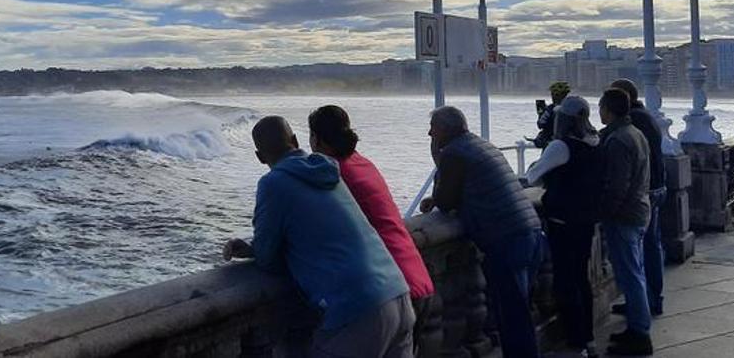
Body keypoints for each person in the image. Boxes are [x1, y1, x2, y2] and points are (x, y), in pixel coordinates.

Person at [224, 116, 414, 356]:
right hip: (397, 294)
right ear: (294, 140)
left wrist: (257, 250)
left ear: (259, 157)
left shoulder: (273, 184)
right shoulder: (328, 170)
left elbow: (268, 259)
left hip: (355, 310)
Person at [306, 105, 437, 347]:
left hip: (393, 287)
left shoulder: (333, 174)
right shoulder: (362, 163)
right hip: (416, 276)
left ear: (317, 139)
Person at [419, 106, 543, 358]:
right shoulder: (480, 145)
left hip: (506, 238)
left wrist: (438, 158)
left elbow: (446, 200)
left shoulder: (454, 153)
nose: (429, 133)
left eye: (433, 128)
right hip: (528, 230)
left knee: (513, 315)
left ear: (443, 129)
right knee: (519, 310)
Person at [526, 95, 603, 358]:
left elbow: (533, 176)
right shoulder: (594, 141)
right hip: (586, 219)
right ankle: (589, 337)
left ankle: (577, 339)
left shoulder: (561, 146)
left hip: (563, 221)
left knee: (565, 281)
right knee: (581, 279)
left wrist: (541, 162)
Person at [597, 88, 654, 356]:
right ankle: (637, 327)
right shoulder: (636, 134)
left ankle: (640, 334)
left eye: (601, 107)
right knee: (636, 272)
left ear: (608, 110)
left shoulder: (618, 140)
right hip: (641, 210)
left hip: (625, 216)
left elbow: (617, 186)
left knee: (631, 275)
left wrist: (605, 212)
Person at [609, 78, 665, 318]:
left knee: (641, 253)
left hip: (646, 191)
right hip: (657, 187)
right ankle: (646, 299)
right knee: (650, 246)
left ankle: (646, 302)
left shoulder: (635, 122)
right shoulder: (646, 118)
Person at [532, 81, 572, 148]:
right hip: (569, 145)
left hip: (552, 145)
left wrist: (541, 113)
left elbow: (541, 124)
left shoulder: (550, 109)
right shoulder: (572, 108)